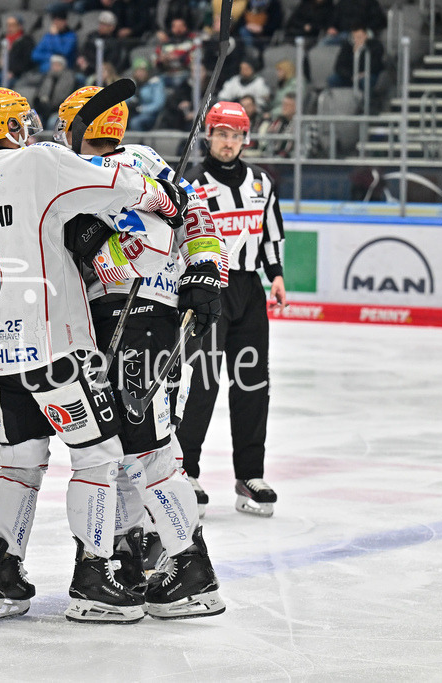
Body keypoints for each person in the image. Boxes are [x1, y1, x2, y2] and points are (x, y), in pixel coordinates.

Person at [0, 87, 185, 624]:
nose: (34, 130)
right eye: (26, 123)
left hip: (1, 351)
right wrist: (158, 195)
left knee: (18, 463)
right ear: (14, 128)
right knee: (100, 456)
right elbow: (116, 183)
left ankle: (4, 576)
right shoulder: (37, 161)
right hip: (55, 346)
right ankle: (94, 580)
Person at [53, 85, 226, 619]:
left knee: (145, 449)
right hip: (145, 318)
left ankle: (192, 570)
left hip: (132, 318)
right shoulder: (148, 161)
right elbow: (197, 217)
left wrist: (90, 243)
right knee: (127, 448)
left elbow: (114, 254)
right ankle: (131, 551)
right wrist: (206, 274)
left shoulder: (74, 169)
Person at [177, 101, 286, 517]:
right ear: (209, 135)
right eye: (221, 134)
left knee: (253, 382)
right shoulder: (193, 182)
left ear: (246, 138)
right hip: (207, 289)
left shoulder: (262, 182)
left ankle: (249, 475)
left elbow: (271, 235)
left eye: (235, 135)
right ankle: (185, 471)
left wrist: (275, 274)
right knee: (201, 383)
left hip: (249, 291)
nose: (228, 142)